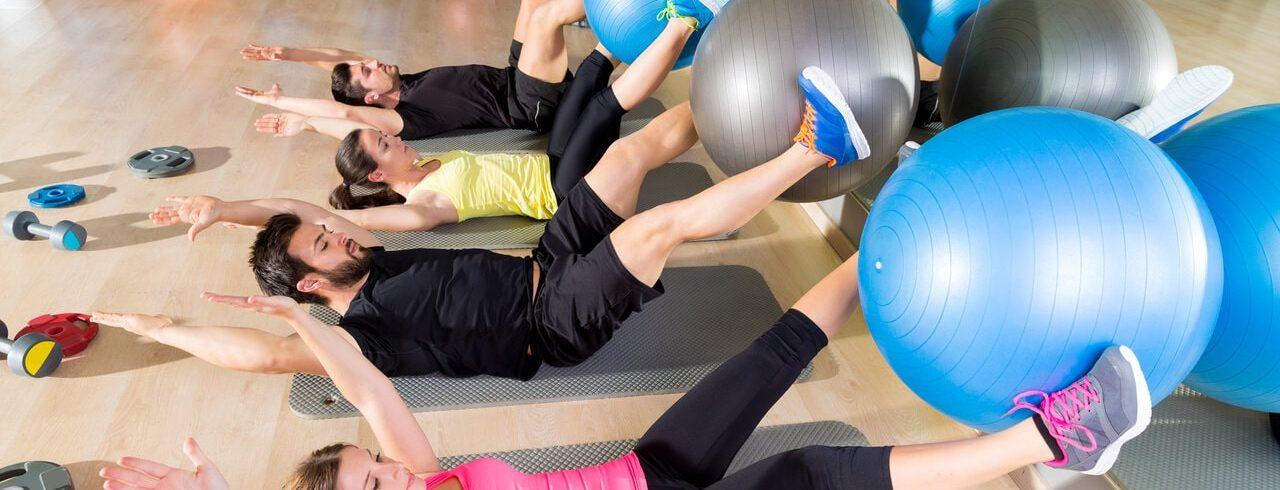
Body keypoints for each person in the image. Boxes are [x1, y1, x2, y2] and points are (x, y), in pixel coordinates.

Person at [99, 254, 1154, 489]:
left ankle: (876, 251)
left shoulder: (426, 476)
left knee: (764, 361)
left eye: (369, 476)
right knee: (822, 473)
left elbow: (373, 389)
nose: (386, 486)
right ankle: (1057, 437)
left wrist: (305, 308)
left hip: (649, 471)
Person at [92, 65, 871, 382]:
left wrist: (224, 210)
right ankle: (816, 147)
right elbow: (262, 356)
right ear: (309, 283)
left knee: (633, 154)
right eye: (327, 246)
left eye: (333, 232)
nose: (342, 234)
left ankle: (753, 82)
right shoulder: (359, 338)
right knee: (652, 230)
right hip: (552, 323)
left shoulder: (368, 259)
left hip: (546, 257)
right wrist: (159, 327)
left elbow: (302, 210)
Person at [247, 12, 702, 232]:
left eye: (386, 136)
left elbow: (348, 84)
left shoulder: (421, 160)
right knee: (605, 106)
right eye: (386, 145)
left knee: (591, 71)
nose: (396, 139)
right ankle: (684, 33)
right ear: (381, 175)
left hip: (549, 162)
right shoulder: (425, 206)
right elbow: (347, 115)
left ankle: (644, 22)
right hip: (560, 190)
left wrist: (290, 61)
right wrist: (297, 116)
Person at [234, 0, 716, 141]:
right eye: (368, 73)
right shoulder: (406, 117)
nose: (373, 62)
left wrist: (289, 52)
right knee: (549, 16)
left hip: (512, 75)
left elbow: (341, 54)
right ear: (374, 100)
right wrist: (285, 107)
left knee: (534, 1)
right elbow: (343, 117)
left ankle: (602, 13)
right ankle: (623, 13)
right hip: (526, 106)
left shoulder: (403, 81)